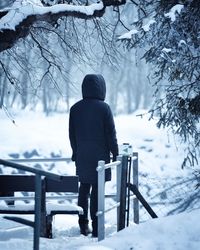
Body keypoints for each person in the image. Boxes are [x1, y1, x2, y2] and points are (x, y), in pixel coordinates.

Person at [69, 74, 118, 237]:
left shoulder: (75, 109)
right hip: (100, 158)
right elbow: (111, 134)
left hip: (82, 156)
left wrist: (76, 152)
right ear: (101, 88)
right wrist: (116, 153)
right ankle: (97, 227)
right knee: (97, 191)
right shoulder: (104, 108)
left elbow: (72, 135)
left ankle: (83, 225)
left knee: (83, 189)